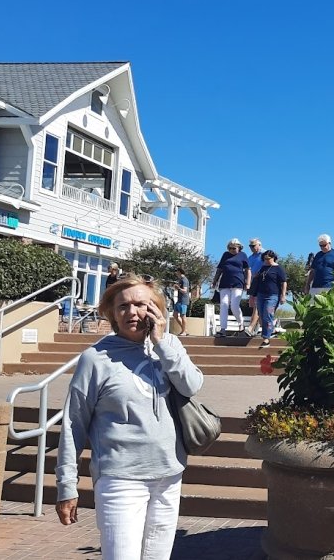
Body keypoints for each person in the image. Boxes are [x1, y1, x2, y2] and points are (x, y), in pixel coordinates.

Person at [55, 275, 204, 559]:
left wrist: (160, 342)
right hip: (120, 479)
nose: (132, 312)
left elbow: (191, 385)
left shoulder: (170, 345)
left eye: (140, 304)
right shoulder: (96, 358)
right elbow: (74, 423)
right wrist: (67, 485)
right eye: (123, 306)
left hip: (169, 475)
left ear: (156, 309)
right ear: (112, 313)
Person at [212, 238, 251, 337]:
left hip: (238, 283)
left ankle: (241, 323)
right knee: (224, 305)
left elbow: (248, 270)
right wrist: (214, 281)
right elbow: (219, 269)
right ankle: (223, 329)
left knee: (234, 306)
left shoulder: (243, 255)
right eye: (230, 248)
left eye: (234, 248)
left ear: (239, 247)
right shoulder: (225, 255)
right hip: (224, 283)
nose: (232, 250)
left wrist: (248, 283)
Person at [251, 249, 288, 350]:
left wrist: (283, 295)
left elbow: (284, 282)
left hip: (273, 295)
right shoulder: (263, 268)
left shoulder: (278, 268)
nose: (266, 261)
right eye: (265, 259)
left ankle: (266, 339)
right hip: (260, 294)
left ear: (273, 258)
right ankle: (271, 331)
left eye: (268, 259)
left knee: (268, 314)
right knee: (262, 316)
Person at [245, 238, 264, 336]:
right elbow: (247, 270)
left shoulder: (265, 255)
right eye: (250, 246)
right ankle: (264, 329)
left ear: (259, 245)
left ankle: (251, 327)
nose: (252, 248)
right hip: (253, 284)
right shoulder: (250, 257)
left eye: (253, 245)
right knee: (254, 306)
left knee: (257, 305)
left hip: (262, 283)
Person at [172, 266, 190, 336]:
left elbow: (185, 291)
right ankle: (184, 329)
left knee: (183, 316)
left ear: (179, 272)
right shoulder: (180, 280)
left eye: (176, 271)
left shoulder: (184, 280)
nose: (175, 273)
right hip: (179, 300)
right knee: (175, 315)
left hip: (183, 300)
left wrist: (178, 288)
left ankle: (184, 331)